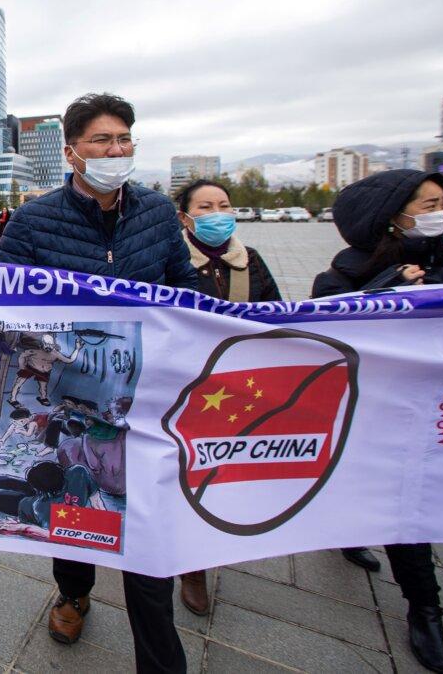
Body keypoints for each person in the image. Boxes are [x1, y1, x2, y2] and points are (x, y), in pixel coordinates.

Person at [0, 92, 196, 671]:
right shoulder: (35, 220)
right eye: (102, 140)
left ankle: (159, 657)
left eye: (124, 139)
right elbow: (2, 301)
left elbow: (182, 285)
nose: (116, 149)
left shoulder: (157, 213)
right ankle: (74, 591)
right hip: (74, 404)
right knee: (76, 503)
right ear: (72, 153)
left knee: (148, 538)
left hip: (150, 399)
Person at [312, 169, 443, 674]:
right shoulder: (346, 270)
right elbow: (326, 323)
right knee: (403, 501)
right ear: (393, 218)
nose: (439, 213)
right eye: (426, 205)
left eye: (442, 202)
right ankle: (425, 608)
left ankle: (351, 533)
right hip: (382, 410)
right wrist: (388, 287)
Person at [172, 179, 282, 616]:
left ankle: (206, 550)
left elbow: (275, 312)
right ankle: (191, 567)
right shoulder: (171, 258)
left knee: (218, 474)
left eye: (223, 205)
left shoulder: (249, 262)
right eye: (205, 206)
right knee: (185, 473)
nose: (217, 213)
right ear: (185, 216)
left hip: (236, 389)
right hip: (184, 388)